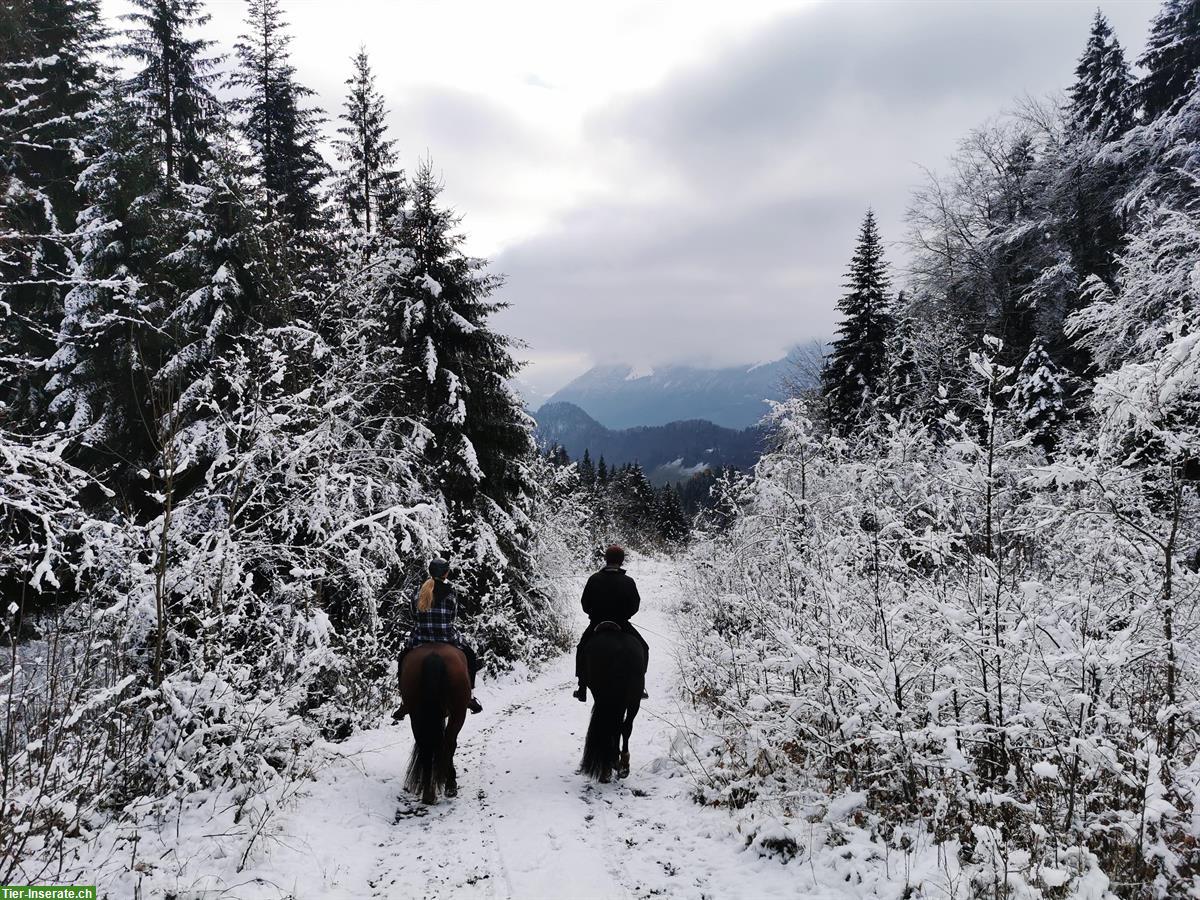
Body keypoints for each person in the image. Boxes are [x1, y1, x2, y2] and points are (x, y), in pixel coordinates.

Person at [393, 558, 483, 720]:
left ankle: (404, 701)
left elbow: (414, 615)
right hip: (447, 636)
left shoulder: (417, 591)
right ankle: (469, 696)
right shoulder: (451, 592)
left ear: (430, 571)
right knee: (470, 655)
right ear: (446, 573)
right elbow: (452, 616)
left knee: (402, 659)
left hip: (420, 637)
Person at [573, 544, 650, 702]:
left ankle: (581, 687)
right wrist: (624, 616)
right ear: (621, 561)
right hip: (622, 624)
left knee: (581, 648)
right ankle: (640, 686)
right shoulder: (628, 581)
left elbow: (585, 604)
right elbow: (634, 605)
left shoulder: (594, 579)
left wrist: (595, 614)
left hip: (596, 624)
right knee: (643, 647)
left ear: (606, 560)